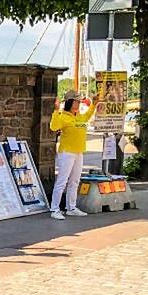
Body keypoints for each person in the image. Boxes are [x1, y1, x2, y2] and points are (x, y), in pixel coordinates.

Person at [49, 90, 98, 220]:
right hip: (67, 152)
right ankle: (55, 209)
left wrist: (94, 104)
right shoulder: (63, 117)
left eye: (79, 101)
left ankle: (71, 207)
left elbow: (88, 115)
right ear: (70, 102)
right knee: (62, 181)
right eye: (76, 101)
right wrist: (55, 110)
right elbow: (53, 127)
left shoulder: (78, 116)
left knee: (75, 181)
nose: (78, 103)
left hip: (78, 151)